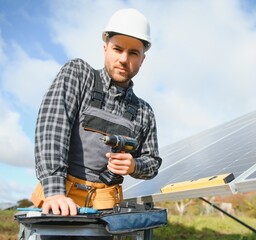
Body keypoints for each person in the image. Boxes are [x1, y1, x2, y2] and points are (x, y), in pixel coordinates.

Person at [31, 8, 162, 219]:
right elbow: (52, 129)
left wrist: (133, 165)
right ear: (105, 49)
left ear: (142, 60)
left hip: (106, 208)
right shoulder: (79, 75)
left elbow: (153, 162)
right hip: (61, 198)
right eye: (117, 49)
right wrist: (55, 192)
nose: (123, 59)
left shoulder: (144, 112)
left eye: (133, 53)